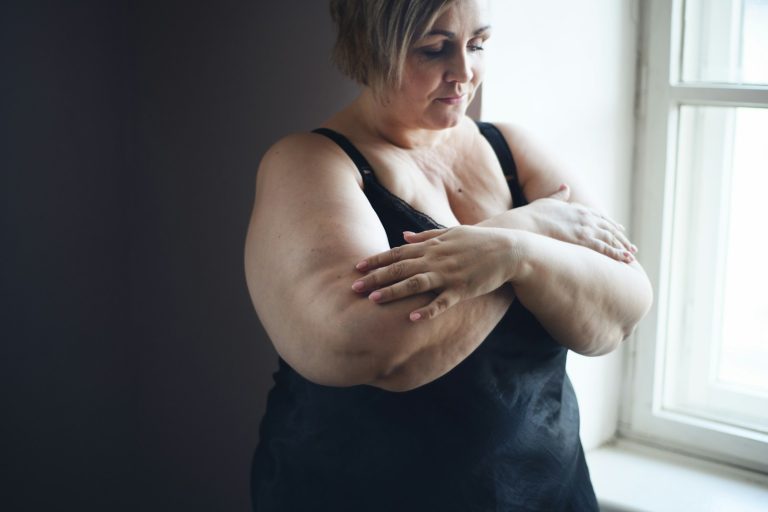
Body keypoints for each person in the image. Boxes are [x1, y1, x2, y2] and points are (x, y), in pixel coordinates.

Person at [244, 0, 653, 510]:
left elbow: (624, 308)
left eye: (478, 44)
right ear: (368, 49)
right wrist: (522, 229)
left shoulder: (512, 149)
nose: (464, 73)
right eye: (434, 49)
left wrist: (515, 253)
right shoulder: (309, 164)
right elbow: (361, 350)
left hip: (547, 491)